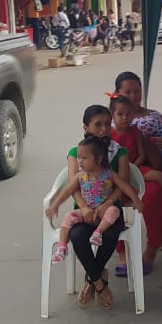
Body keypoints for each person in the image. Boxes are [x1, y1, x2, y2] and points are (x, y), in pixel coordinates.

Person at [47, 135, 143, 299]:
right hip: (87, 214)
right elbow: (68, 191)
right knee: (68, 217)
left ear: (98, 158)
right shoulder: (80, 176)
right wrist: (55, 204)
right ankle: (62, 247)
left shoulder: (109, 174)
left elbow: (125, 186)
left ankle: (98, 233)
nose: (80, 161)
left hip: (103, 215)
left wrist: (136, 200)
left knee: (113, 211)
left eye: (84, 158)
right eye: (79, 158)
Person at [62, 106, 137, 309]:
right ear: (85, 128)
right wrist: (84, 207)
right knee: (78, 236)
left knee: (110, 234)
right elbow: (74, 187)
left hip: (109, 212)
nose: (104, 129)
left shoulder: (120, 152)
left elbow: (122, 186)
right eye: (98, 124)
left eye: (107, 124)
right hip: (84, 213)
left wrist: (108, 203)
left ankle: (90, 279)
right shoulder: (76, 153)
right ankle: (99, 283)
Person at [111, 72, 162, 274]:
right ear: (116, 93)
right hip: (114, 173)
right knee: (107, 198)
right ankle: (121, 253)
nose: (133, 96)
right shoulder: (107, 119)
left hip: (145, 169)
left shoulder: (154, 116)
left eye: (137, 91)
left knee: (154, 193)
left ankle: (152, 248)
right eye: (127, 91)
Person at [109, 95, 162, 204]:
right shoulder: (109, 134)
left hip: (137, 167)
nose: (125, 117)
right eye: (120, 114)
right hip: (116, 172)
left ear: (133, 114)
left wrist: (133, 168)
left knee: (161, 176)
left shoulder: (136, 132)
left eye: (128, 114)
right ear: (112, 115)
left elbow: (141, 155)